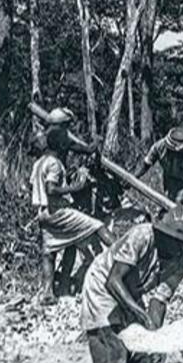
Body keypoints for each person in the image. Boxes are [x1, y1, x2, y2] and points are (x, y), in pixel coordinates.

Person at [80, 199, 183, 363]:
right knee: (112, 346)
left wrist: (154, 338)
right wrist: (137, 313)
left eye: (182, 243)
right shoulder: (142, 236)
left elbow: (159, 300)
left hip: (131, 292)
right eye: (172, 240)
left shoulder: (182, 261)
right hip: (102, 287)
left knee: (143, 354)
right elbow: (113, 280)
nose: (176, 247)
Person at [30, 122, 115, 305]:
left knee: (51, 251)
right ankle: (125, 253)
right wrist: (76, 187)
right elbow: (51, 189)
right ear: (61, 146)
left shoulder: (39, 163)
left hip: (42, 213)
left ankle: (50, 292)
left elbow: (37, 187)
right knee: (96, 226)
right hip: (57, 211)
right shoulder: (54, 164)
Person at [135, 127, 183, 203]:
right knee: (170, 201)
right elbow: (146, 164)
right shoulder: (159, 147)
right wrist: (135, 176)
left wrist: (181, 196)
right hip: (169, 177)